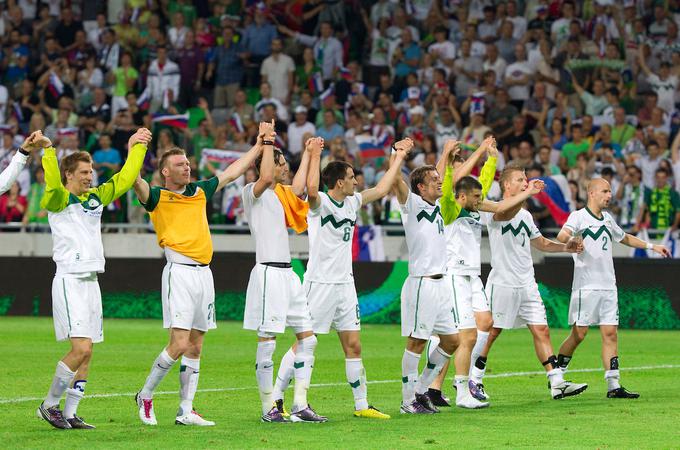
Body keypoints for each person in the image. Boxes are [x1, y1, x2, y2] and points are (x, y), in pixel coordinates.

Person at [132, 122, 274, 427]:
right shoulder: (156, 197)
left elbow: (233, 171)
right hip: (179, 272)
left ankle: (186, 409)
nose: (186, 167)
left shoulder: (198, 191)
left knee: (196, 344)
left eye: (187, 163)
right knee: (179, 343)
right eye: (179, 165)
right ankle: (145, 394)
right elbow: (135, 180)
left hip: (204, 274)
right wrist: (135, 147)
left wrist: (260, 143)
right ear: (165, 172)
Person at [271, 138, 412, 420]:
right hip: (319, 284)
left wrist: (398, 156)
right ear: (337, 183)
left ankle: (361, 405)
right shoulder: (320, 204)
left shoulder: (353, 202)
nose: (356, 182)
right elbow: (311, 189)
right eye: (350, 178)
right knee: (303, 343)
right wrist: (315, 154)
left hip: (346, 285)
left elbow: (383, 188)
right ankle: (279, 399)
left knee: (354, 345)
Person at [37, 128, 152, 429]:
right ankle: (49, 405)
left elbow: (126, 179)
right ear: (69, 175)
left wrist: (136, 147)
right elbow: (50, 184)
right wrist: (48, 150)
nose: (90, 176)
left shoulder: (95, 198)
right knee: (81, 349)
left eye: (91, 171)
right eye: (84, 172)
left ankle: (72, 413)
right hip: (69, 279)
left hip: (91, 281)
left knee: (89, 353)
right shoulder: (58, 199)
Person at [471, 162, 589, 400]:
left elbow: (542, 243)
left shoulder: (525, 214)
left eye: (526, 180)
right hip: (502, 282)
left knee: (541, 329)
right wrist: (529, 192)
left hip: (527, 283)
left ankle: (556, 381)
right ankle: (473, 378)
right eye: (520, 180)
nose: (525, 182)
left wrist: (567, 247)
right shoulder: (493, 209)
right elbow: (504, 213)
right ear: (505, 185)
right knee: (492, 332)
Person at [556, 178, 671, 399]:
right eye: (605, 191)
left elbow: (625, 237)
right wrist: (571, 240)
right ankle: (557, 376)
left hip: (609, 286)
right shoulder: (578, 216)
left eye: (610, 191)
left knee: (610, 334)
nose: (609, 195)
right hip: (586, 287)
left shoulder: (608, 219)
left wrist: (652, 246)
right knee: (579, 334)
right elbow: (562, 235)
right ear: (591, 193)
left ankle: (613, 385)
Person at [242, 128, 326, 423]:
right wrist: (266, 142)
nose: (284, 168)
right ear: (267, 165)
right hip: (267, 273)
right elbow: (265, 176)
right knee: (267, 343)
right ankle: (268, 408)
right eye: (280, 164)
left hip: (289, 274)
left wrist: (309, 153)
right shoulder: (253, 193)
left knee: (309, 340)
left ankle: (300, 404)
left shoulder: (281, 194)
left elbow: (301, 188)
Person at [426, 138, 498, 407]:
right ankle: (462, 390)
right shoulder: (450, 209)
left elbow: (483, 184)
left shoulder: (472, 204)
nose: (481, 201)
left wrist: (491, 159)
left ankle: (440, 382)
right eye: (476, 197)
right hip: (454, 276)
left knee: (486, 324)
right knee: (463, 336)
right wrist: (447, 162)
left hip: (472, 275)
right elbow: (447, 190)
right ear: (463, 196)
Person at [391, 140, 459, 414]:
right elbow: (395, 179)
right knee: (417, 342)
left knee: (452, 341)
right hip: (422, 283)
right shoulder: (413, 205)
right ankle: (408, 401)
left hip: (442, 284)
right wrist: (397, 155)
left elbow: (436, 173)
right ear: (420, 187)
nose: (440, 182)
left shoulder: (434, 205)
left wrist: (444, 155)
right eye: (434, 180)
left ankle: (421, 389)